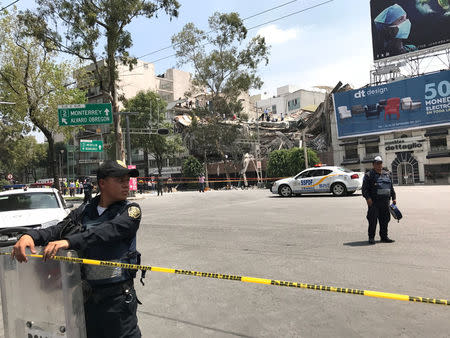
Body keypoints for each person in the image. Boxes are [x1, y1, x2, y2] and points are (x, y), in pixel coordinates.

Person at [11, 160, 142, 337]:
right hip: (84, 299)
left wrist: (69, 242)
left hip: (116, 302)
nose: (126, 184)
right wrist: (30, 236)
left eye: (127, 180)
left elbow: (106, 232)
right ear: (102, 183)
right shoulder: (85, 210)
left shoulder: (130, 211)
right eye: (120, 180)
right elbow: (58, 229)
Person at [362, 156, 397, 245]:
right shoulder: (369, 175)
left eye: (380, 163)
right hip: (374, 203)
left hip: (385, 203)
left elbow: (391, 187)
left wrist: (394, 198)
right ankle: (371, 237)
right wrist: (368, 198)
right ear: (373, 165)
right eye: (377, 164)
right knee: (373, 221)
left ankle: (384, 237)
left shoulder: (387, 174)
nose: (379, 165)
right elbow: (364, 189)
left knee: (385, 220)